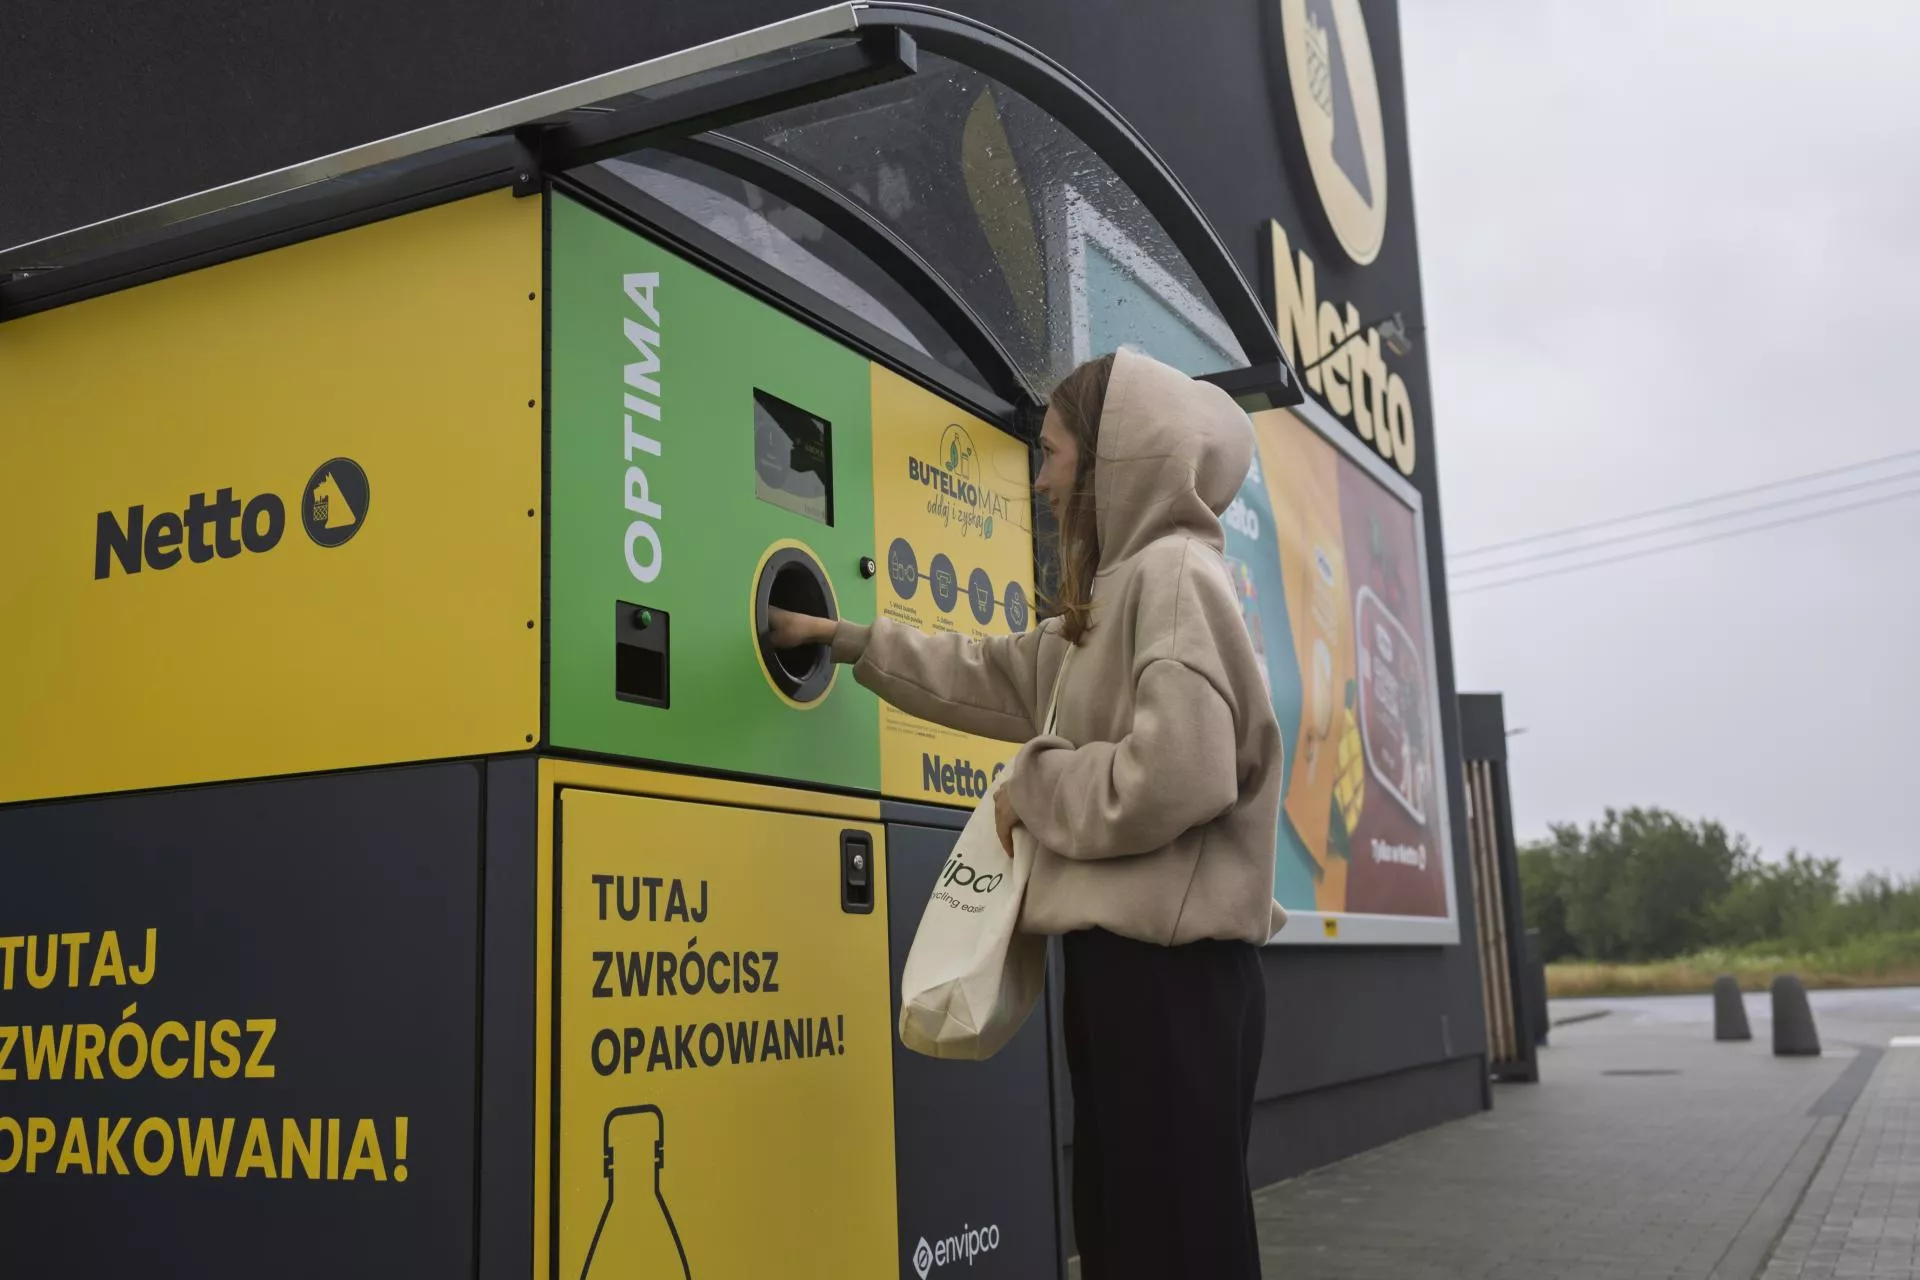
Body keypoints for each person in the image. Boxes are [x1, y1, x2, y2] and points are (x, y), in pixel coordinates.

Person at [769, 347, 1285, 1280]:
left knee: (1168, 1239)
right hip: (1139, 970)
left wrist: (1030, 788)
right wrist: (844, 640)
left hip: (1169, 978)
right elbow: (995, 671)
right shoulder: (1128, 588)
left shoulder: (1171, 577)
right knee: (1140, 1230)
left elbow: (1181, 774)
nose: (1039, 479)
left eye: (1051, 454)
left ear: (1112, 458)